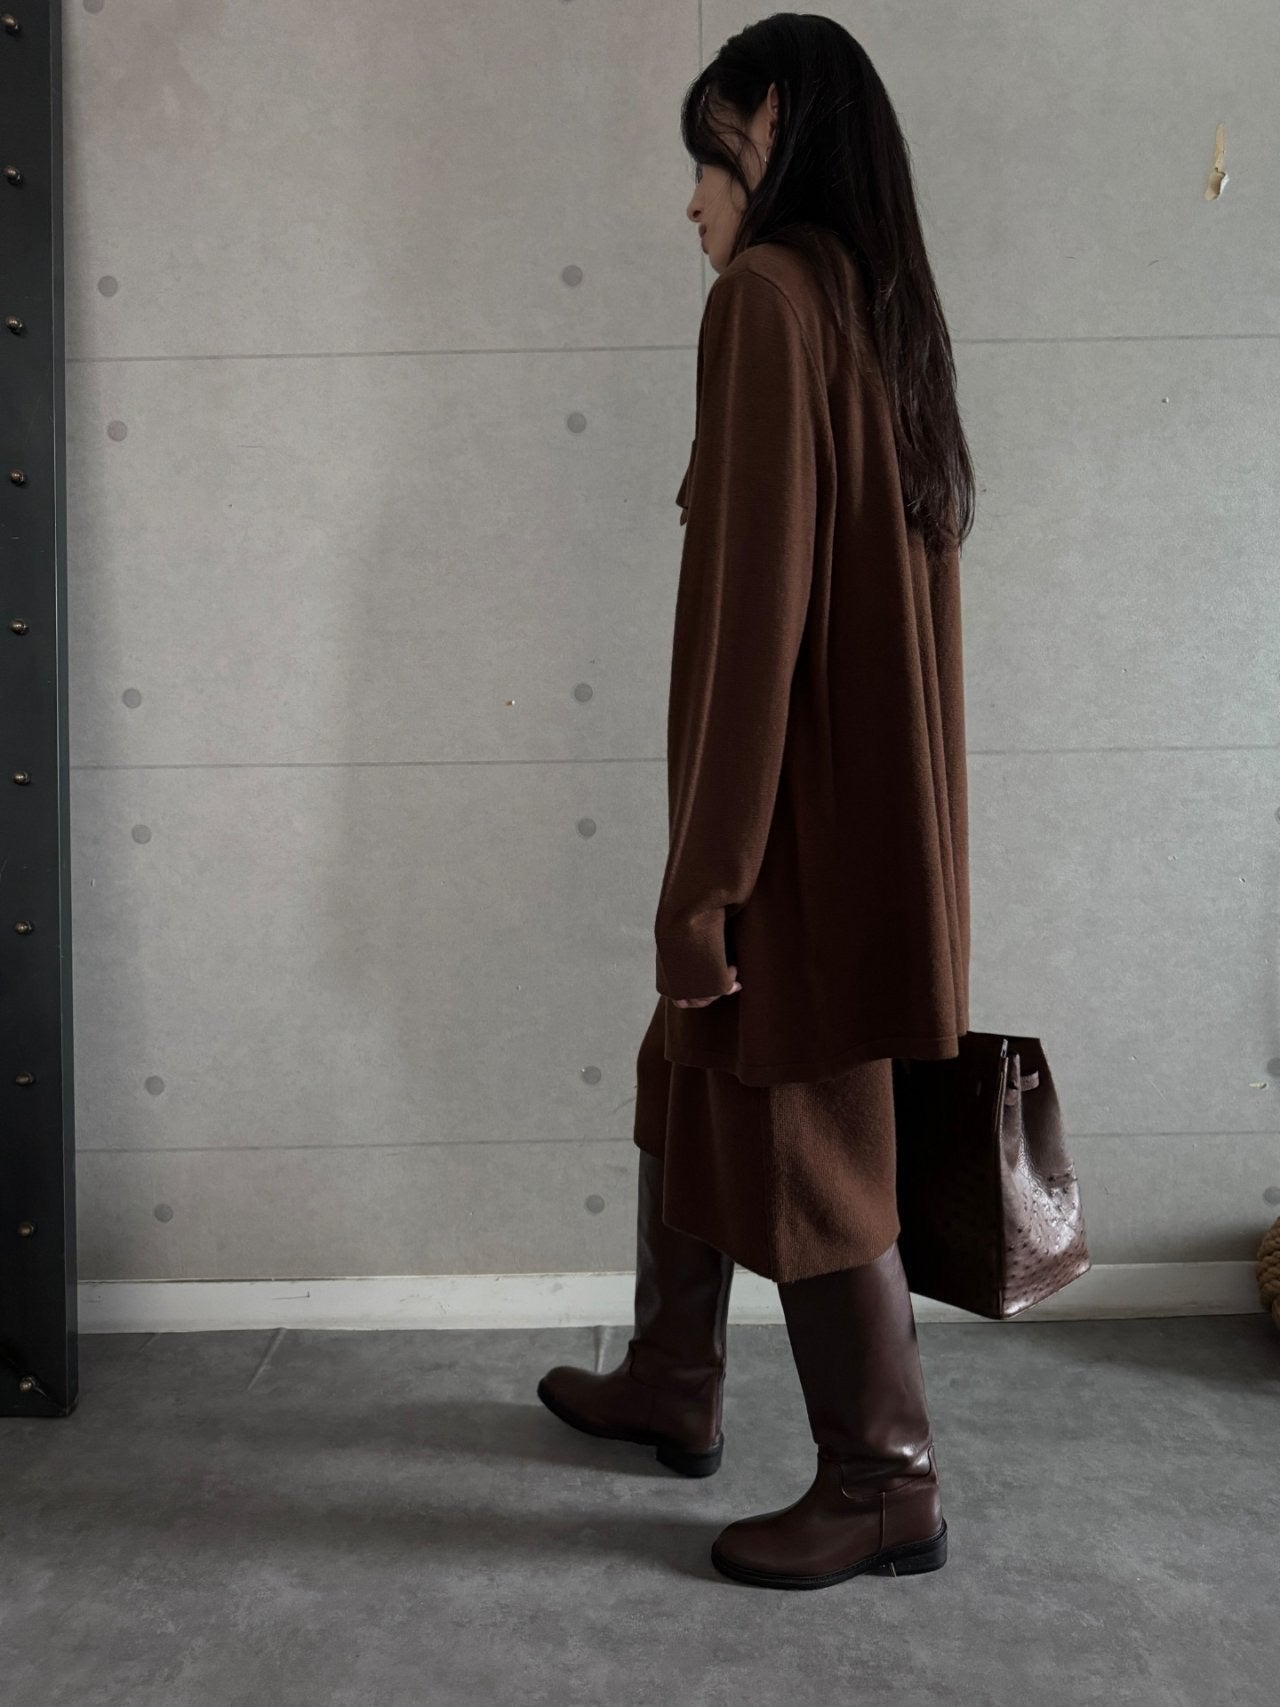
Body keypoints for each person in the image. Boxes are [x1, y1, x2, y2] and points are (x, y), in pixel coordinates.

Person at [538, 12, 973, 1592]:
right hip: (866, 811)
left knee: (809, 1139)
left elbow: (751, 624)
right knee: (685, 1068)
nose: (693, 199)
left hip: (790, 826)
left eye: (708, 156)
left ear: (773, 121)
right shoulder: (876, 304)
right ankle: (675, 1373)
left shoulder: (768, 302)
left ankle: (885, 1478)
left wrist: (705, 885)